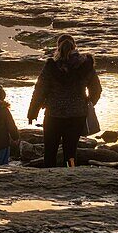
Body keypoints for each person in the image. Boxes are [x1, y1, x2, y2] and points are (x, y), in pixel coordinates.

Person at [27, 34, 103, 167]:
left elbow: (40, 90)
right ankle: (71, 175)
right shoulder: (86, 65)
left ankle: (48, 177)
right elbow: (96, 90)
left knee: (50, 151)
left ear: (58, 47)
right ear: (75, 46)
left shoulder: (51, 66)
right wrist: (88, 103)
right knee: (71, 151)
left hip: (54, 114)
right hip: (77, 115)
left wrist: (33, 112)